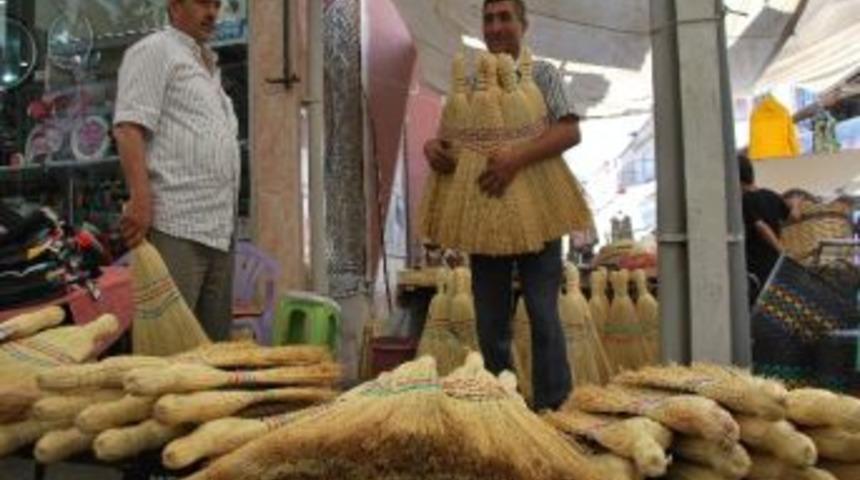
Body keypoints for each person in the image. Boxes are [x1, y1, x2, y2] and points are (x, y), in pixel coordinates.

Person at [423, 0, 582, 411]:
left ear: (523, 25)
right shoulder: (471, 86)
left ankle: (554, 409)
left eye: (504, 18)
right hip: (485, 215)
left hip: (539, 214)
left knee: (543, 316)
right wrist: (433, 148)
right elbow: (452, 140)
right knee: (491, 322)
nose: (495, 27)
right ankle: (502, 406)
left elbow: (568, 132)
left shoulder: (543, 74)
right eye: (488, 19)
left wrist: (516, 157)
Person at [114, 0, 240, 341]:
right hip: (176, 224)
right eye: (202, 2)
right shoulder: (156, 51)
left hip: (219, 229)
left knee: (214, 353)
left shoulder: (208, 66)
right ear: (174, 6)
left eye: (217, 4)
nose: (212, 12)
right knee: (172, 351)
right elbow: (128, 128)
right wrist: (141, 200)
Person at [739, 154, 799, 302]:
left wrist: (781, 250)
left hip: (755, 264)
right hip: (773, 263)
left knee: (756, 302)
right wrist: (796, 204)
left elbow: (761, 226)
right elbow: (794, 217)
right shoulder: (770, 195)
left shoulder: (745, 200)